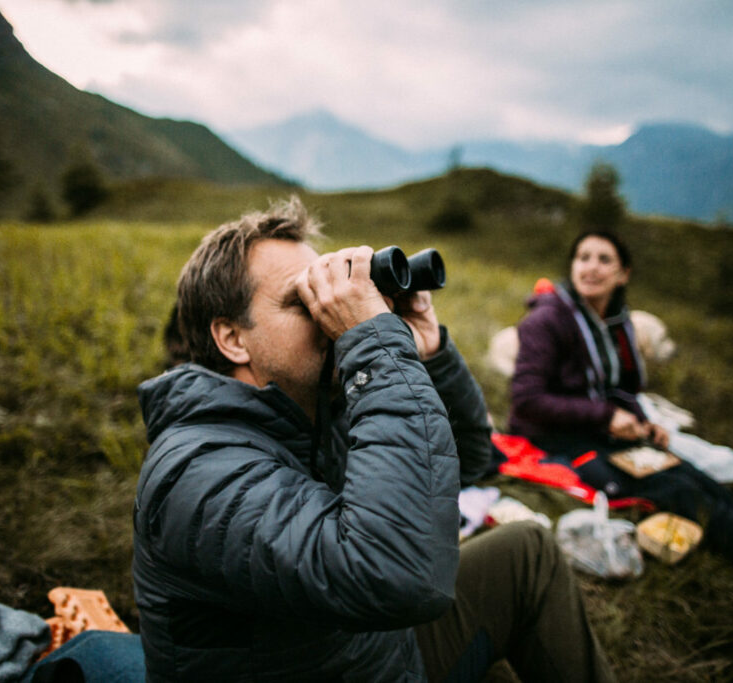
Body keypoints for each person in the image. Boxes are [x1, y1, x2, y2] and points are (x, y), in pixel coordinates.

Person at [132, 197, 615, 681]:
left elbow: (469, 460)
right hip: (343, 661)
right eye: (305, 300)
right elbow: (397, 575)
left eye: (329, 290)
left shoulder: (316, 409)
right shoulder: (195, 472)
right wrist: (374, 345)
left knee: (526, 551)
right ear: (233, 338)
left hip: (376, 650)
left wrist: (432, 355)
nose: (328, 313)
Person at [507, 229, 733, 611]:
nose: (591, 268)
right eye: (583, 257)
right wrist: (606, 415)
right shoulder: (547, 321)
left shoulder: (614, 322)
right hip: (557, 442)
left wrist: (641, 422)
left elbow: (619, 389)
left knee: (700, 479)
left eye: (604, 260)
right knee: (684, 494)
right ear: (572, 265)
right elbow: (526, 400)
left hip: (602, 433)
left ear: (624, 274)